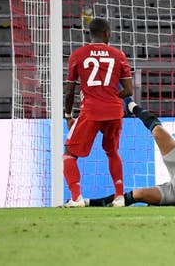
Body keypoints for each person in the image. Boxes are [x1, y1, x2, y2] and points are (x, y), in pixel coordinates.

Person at [63, 18, 133, 207]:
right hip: (114, 111)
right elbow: (129, 90)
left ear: (90, 34)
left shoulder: (78, 55)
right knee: (112, 152)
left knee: (69, 154)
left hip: (91, 111)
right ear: (107, 34)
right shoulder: (118, 55)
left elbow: (70, 90)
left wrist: (68, 115)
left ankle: (76, 198)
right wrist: (111, 95)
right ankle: (119, 197)